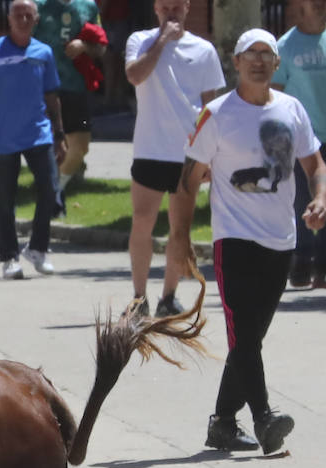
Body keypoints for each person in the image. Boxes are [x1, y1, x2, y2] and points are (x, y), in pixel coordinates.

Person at [170, 28, 326, 454]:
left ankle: (222, 423)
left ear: (277, 64)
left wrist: (320, 198)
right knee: (242, 335)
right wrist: (181, 238)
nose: (258, 60)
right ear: (236, 62)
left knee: (248, 340)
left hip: (281, 241)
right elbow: (187, 182)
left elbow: (316, 165)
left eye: (266, 54)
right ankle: (265, 419)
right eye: (250, 54)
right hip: (234, 239)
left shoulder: (292, 109)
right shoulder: (216, 114)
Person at [124, 0, 224, 316]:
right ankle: (139, 297)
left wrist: (212, 155)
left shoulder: (204, 50)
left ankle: (169, 296)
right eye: (165, 7)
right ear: (155, 8)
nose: (171, 13)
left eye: (177, 7)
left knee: (179, 228)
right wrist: (163, 41)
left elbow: (212, 107)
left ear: (187, 8)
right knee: (142, 222)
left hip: (189, 153)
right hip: (150, 149)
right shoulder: (140, 41)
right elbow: (135, 76)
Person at [0, 0, 67, 279]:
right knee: (5, 199)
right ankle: (9, 258)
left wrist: (59, 133)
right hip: (4, 136)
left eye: (28, 15)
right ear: (9, 20)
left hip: (39, 133)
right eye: (18, 15)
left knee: (50, 189)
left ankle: (38, 249)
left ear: (36, 20)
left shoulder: (44, 52)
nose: (23, 19)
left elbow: (52, 95)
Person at [273, 0, 326, 289]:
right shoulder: (285, 45)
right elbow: (275, 96)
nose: (318, 4)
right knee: (300, 201)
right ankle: (301, 262)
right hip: (298, 141)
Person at [33, 0, 105, 213]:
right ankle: (52, 198)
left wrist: (84, 46)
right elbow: (24, 42)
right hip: (44, 87)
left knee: (81, 145)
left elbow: (101, 46)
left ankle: (55, 190)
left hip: (77, 86)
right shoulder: (39, 5)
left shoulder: (88, 6)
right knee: (49, 146)